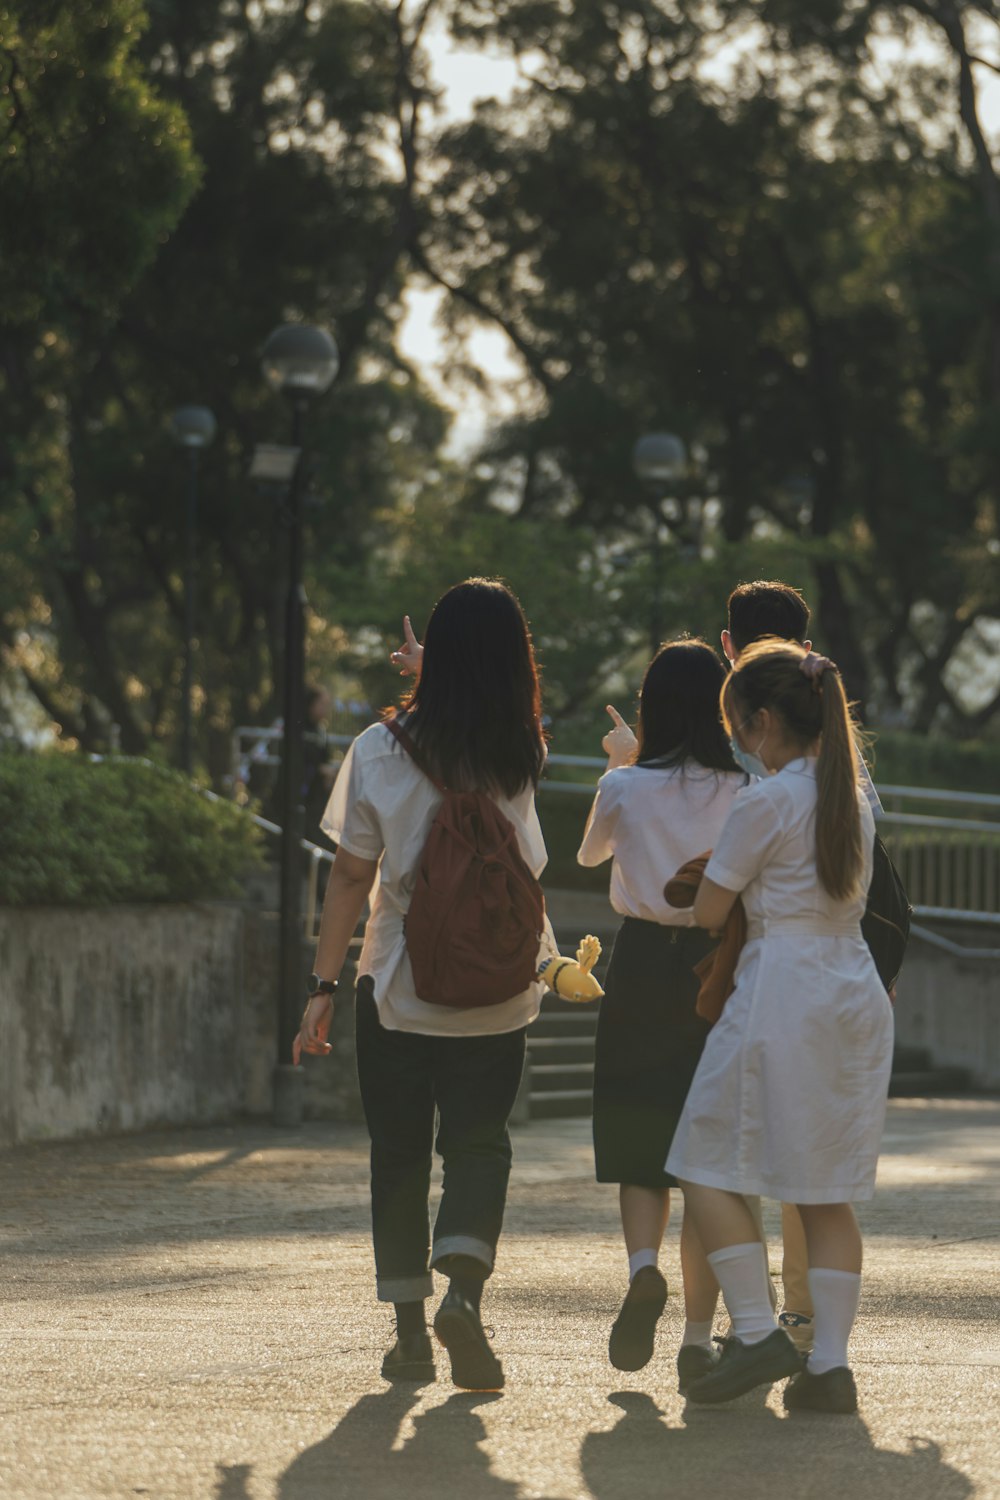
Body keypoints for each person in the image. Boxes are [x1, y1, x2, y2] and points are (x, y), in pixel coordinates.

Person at [295, 579, 551, 1394]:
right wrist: (446, 662)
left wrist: (322, 983)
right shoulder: (520, 748)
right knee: (481, 1144)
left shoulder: (379, 749)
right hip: (499, 991)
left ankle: (410, 1335)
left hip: (400, 985)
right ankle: (464, 1297)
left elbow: (347, 877)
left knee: (400, 1154)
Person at [668, 640, 894, 1413]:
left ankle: (759, 1329)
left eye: (737, 724)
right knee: (826, 1189)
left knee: (702, 1161)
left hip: (781, 989)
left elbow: (707, 914)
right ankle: (828, 1366)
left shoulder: (764, 801)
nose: (734, 737)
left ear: (763, 721)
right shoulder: (852, 796)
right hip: (851, 987)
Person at [576, 640, 748, 1392]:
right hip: (721, 964)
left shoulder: (628, 785)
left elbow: (587, 856)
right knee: (711, 1158)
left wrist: (622, 762)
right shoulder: (749, 785)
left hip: (642, 961)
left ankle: (643, 1270)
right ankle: (696, 1340)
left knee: (638, 1132)